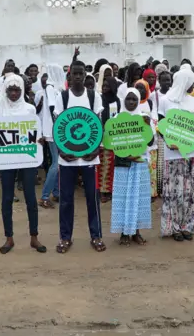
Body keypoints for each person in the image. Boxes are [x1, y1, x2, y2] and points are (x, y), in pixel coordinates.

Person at [0, 74, 46, 254]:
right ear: (5, 91)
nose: (13, 93)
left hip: (27, 159)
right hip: (7, 160)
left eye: (17, 90)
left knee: (30, 197)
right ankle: (9, 238)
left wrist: (40, 140)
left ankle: (34, 237)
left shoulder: (29, 109)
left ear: (22, 91)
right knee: (7, 198)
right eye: (10, 90)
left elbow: (35, 131)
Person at [53, 60, 105, 254]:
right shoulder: (63, 97)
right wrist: (60, 150)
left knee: (92, 197)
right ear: (69, 76)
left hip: (90, 157)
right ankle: (65, 238)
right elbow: (58, 125)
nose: (77, 76)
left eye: (80, 73)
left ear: (85, 75)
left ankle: (96, 236)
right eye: (74, 73)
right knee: (66, 199)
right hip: (67, 157)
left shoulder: (93, 96)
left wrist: (97, 148)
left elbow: (98, 123)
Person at [158, 69, 194, 241]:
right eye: (191, 81)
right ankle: (173, 227)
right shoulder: (165, 100)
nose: (193, 85)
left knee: (188, 192)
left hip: (191, 153)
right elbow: (161, 125)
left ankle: (186, 226)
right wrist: (170, 142)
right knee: (174, 192)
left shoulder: (192, 100)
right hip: (173, 153)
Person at [110, 88, 153, 245]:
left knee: (138, 198)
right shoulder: (117, 119)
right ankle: (123, 233)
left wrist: (148, 127)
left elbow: (150, 142)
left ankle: (136, 232)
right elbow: (112, 142)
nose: (131, 102)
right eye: (128, 99)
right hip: (123, 163)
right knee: (123, 198)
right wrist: (126, 155)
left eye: (134, 99)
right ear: (123, 100)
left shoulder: (144, 118)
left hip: (140, 163)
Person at [38, 65, 65, 208]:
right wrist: (59, 129)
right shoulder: (50, 87)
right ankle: (44, 196)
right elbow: (53, 109)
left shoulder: (54, 87)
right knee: (56, 163)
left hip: (53, 129)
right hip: (54, 131)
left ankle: (56, 192)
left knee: (57, 163)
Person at [98, 76, 121, 203]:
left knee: (112, 165)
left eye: (108, 86)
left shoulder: (117, 101)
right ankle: (102, 191)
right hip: (102, 137)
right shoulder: (99, 100)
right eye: (103, 86)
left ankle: (110, 189)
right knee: (103, 165)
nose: (105, 89)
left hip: (114, 136)